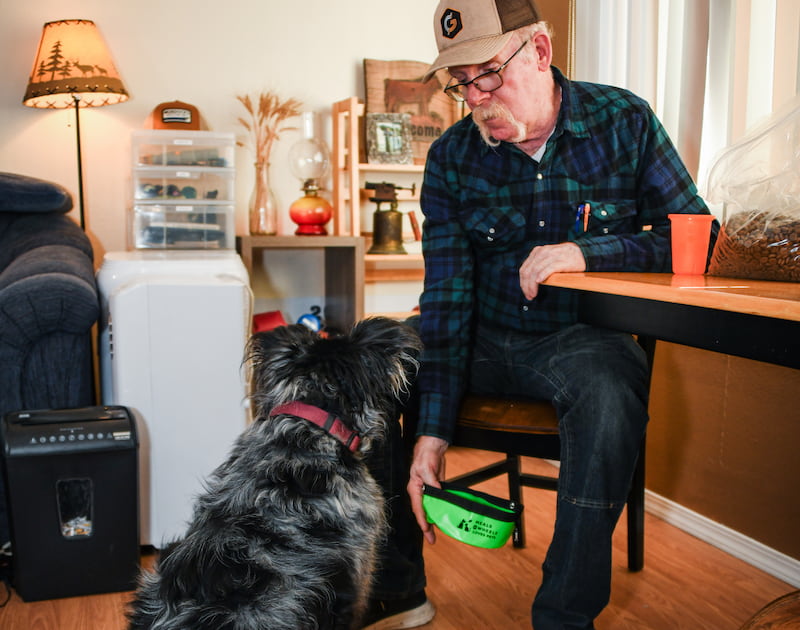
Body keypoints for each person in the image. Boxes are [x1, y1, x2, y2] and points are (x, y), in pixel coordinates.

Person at [381, 0, 719, 629]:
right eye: (461, 83)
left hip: (577, 341)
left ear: (539, 51)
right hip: (481, 337)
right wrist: (432, 427)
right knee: (370, 364)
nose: (478, 98)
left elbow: (695, 234)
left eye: (487, 73)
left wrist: (587, 252)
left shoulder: (625, 120)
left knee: (612, 390)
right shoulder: (453, 156)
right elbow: (448, 294)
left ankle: (564, 616)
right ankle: (397, 590)